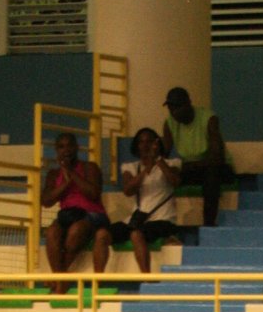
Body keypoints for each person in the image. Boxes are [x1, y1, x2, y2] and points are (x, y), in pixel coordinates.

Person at [41, 132, 110, 286]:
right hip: (68, 215)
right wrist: (65, 184)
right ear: (57, 150)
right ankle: (60, 279)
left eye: (69, 145)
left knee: (76, 230)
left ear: (77, 147)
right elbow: (46, 201)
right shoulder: (53, 174)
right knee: (51, 232)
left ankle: (58, 280)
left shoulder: (90, 167)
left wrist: (71, 173)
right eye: (61, 147)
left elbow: (93, 194)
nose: (66, 150)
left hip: (92, 214)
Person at [162, 87, 230, 228]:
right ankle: (162, 223)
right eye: (170, 109)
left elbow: (217, 158)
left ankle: (209, 224)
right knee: (164, 175)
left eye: (177, 107)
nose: (174, 112)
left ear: (188, 104)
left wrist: (186, 166)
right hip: (192, 168)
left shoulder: (209, 119)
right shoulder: (169, 124)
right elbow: (164, 154)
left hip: (215, 167)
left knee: (211, 174)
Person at [119, 128, 182, 274]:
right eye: (141, 142)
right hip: (138, 218)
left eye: (149, 141)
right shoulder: (130, 167)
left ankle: (146, 278)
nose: (145, 145)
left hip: (164, 219)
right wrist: (146, 168)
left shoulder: (173, 163)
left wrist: (158, 159)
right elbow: (128, 190)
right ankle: (98, 280)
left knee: (136, 234)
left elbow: (175, 181)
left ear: (157, 143)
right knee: (102, 234)